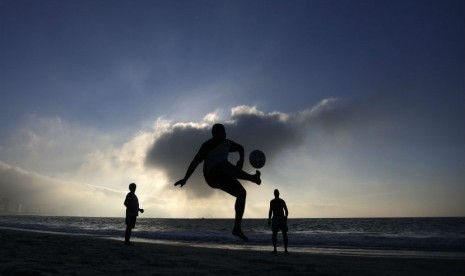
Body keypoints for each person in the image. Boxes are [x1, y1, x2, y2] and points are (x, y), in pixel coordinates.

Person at [174, 123, 261, 241]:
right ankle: (252, 178)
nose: (225, 134)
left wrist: (241, 161)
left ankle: (237, 228)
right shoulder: (207, 145)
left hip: (225, 175)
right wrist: (185, 178)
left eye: (225, 132)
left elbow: (241, 148)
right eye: (223, 132)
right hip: (211, 176)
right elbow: (195, 162)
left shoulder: (227, 143)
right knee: (222, 164)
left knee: (242, 193)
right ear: (215, 134)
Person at [268, 189, 289, 254]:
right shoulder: (274, 201)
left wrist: (285, 217)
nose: (276, 194)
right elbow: (270, 211)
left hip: (280, 219)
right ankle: (277, 250)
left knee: (282, 234)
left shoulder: (279, 201)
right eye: (276, 193)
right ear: (276, 194)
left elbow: (286, 210)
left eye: (276, 193)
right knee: (278, 234)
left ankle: (283, 250)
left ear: (277, 194)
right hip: (277, 219)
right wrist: (269, 219)